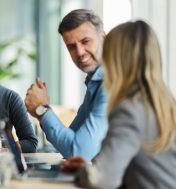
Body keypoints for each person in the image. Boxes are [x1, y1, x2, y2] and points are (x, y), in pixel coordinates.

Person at [62, 20, 176, 188]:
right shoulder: (165, 104)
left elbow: (102, 181)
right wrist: (90, 169)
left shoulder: (129, 110)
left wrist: (85, 174)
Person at [25, 9, 108, 160]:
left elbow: (78, 152)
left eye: (85, 41)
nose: (80, 52)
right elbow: (68, 142)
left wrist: (42, 110)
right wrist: (42, 109)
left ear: (102, 38)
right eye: (71, 46)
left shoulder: (111, 84)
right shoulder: (94, 84)